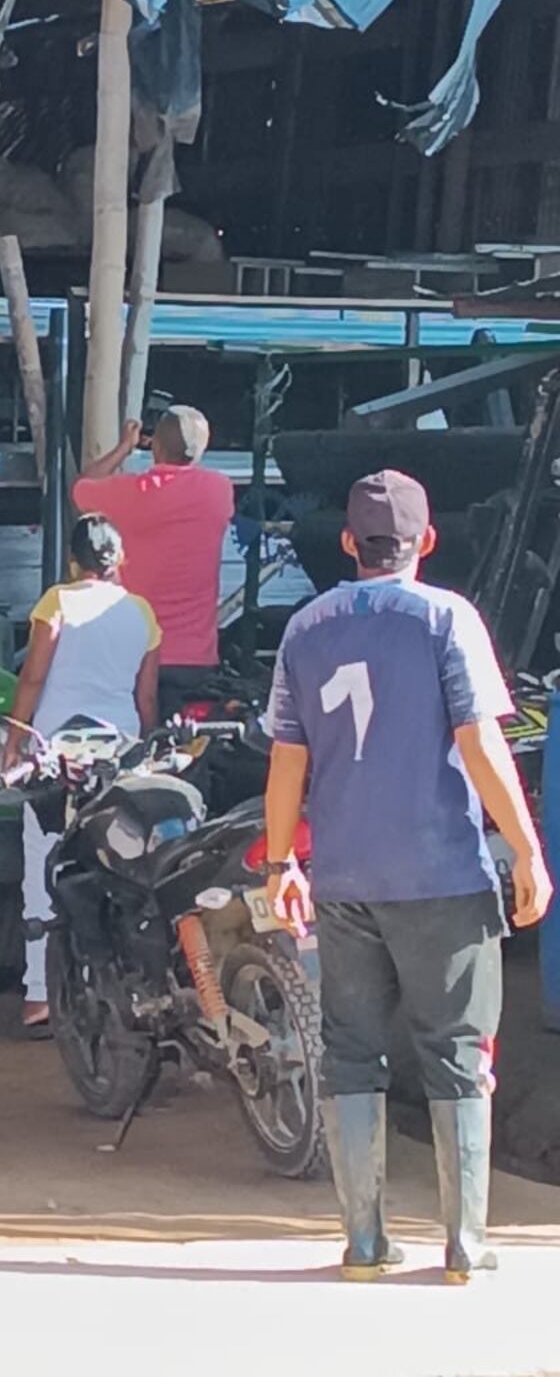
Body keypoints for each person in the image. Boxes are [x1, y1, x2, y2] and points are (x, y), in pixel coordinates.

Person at [263, 469, 553, 1284]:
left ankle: (362, 1243)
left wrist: (283, 858)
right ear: (427, 541)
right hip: (441, 874)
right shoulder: (445, 617)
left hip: (344, 878)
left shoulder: (305, 627)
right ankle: (463, 1246)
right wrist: (527, 848)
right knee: (459, 1051)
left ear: (349, 543)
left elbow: (288, 759)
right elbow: (481, 742)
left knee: (352, 1052)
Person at [3, 514, 161, 1032]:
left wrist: (14, 738)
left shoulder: (58, 602)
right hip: (118, 745)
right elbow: (146, 697)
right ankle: (124, 980)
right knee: (116, 857)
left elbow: (34, 675)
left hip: (57, 747)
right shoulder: (141, 612)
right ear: (120, 561)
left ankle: (39, 995)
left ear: (74, 562)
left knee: (44, 859)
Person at [73, 406, 232, 717]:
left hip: (133, 654)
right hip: (196, 658)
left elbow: (79, 489)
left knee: (135, 753)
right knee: (192, 754)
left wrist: (124, 447)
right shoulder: (219, 490)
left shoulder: (130, 492)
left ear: (154, 445)